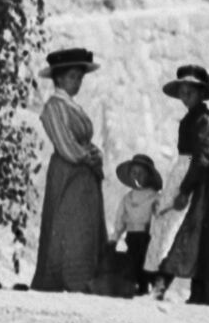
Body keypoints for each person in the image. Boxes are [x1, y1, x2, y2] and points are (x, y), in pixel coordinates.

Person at [29, 47, 120, 292]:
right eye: (72, 77)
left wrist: (93, 155)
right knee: (67, 222)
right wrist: (86, 157)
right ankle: (65, 277)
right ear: (58, 78)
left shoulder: (72, 106)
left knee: (84, 225)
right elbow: (65, 144)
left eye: (79, 78)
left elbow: (85, 142)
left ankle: (84, 278)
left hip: (84, 174)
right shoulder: (54, 107)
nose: (77, 82)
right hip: (67, 172)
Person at [158, 65, 209, 303]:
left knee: (189, 236)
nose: (185, 96)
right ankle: (172, 289)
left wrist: (184, 190)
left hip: (200, 183)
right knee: (178, 233)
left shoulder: (205, 121)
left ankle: (172, 288)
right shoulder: (191, 119)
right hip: (188, 176)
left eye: (190, 92)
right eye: (182, 91)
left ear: (202, 93)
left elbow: (201, 159)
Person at [109, 155, 170, 295]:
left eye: (141, 174)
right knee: (132, 263)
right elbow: (120, 221)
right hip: (131, 237)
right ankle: (136, 287)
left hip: (147, 237)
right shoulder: (127, 198)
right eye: (134, 173)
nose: (137, 177)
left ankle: (151, 286)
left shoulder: (155, 197)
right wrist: (114, 238)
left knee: (147, 263)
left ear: (149, 177)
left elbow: (160, 219)